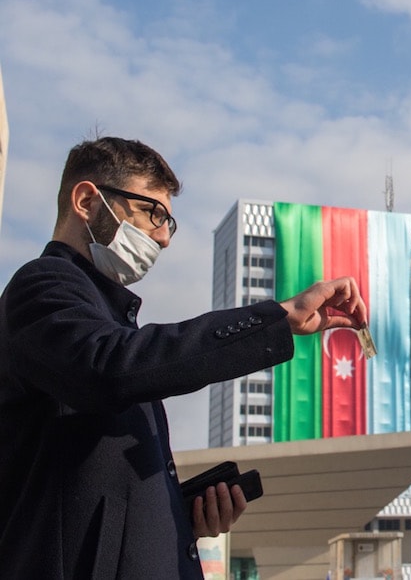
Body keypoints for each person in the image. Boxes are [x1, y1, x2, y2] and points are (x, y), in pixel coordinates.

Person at [0, 137, 368, 579]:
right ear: (86, 201)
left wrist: (179, 515)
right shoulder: (41, 286)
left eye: (168, 222)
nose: (162, 237)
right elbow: (110, 370)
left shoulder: (110, 321)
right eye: (152, 214)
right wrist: (276, 318)